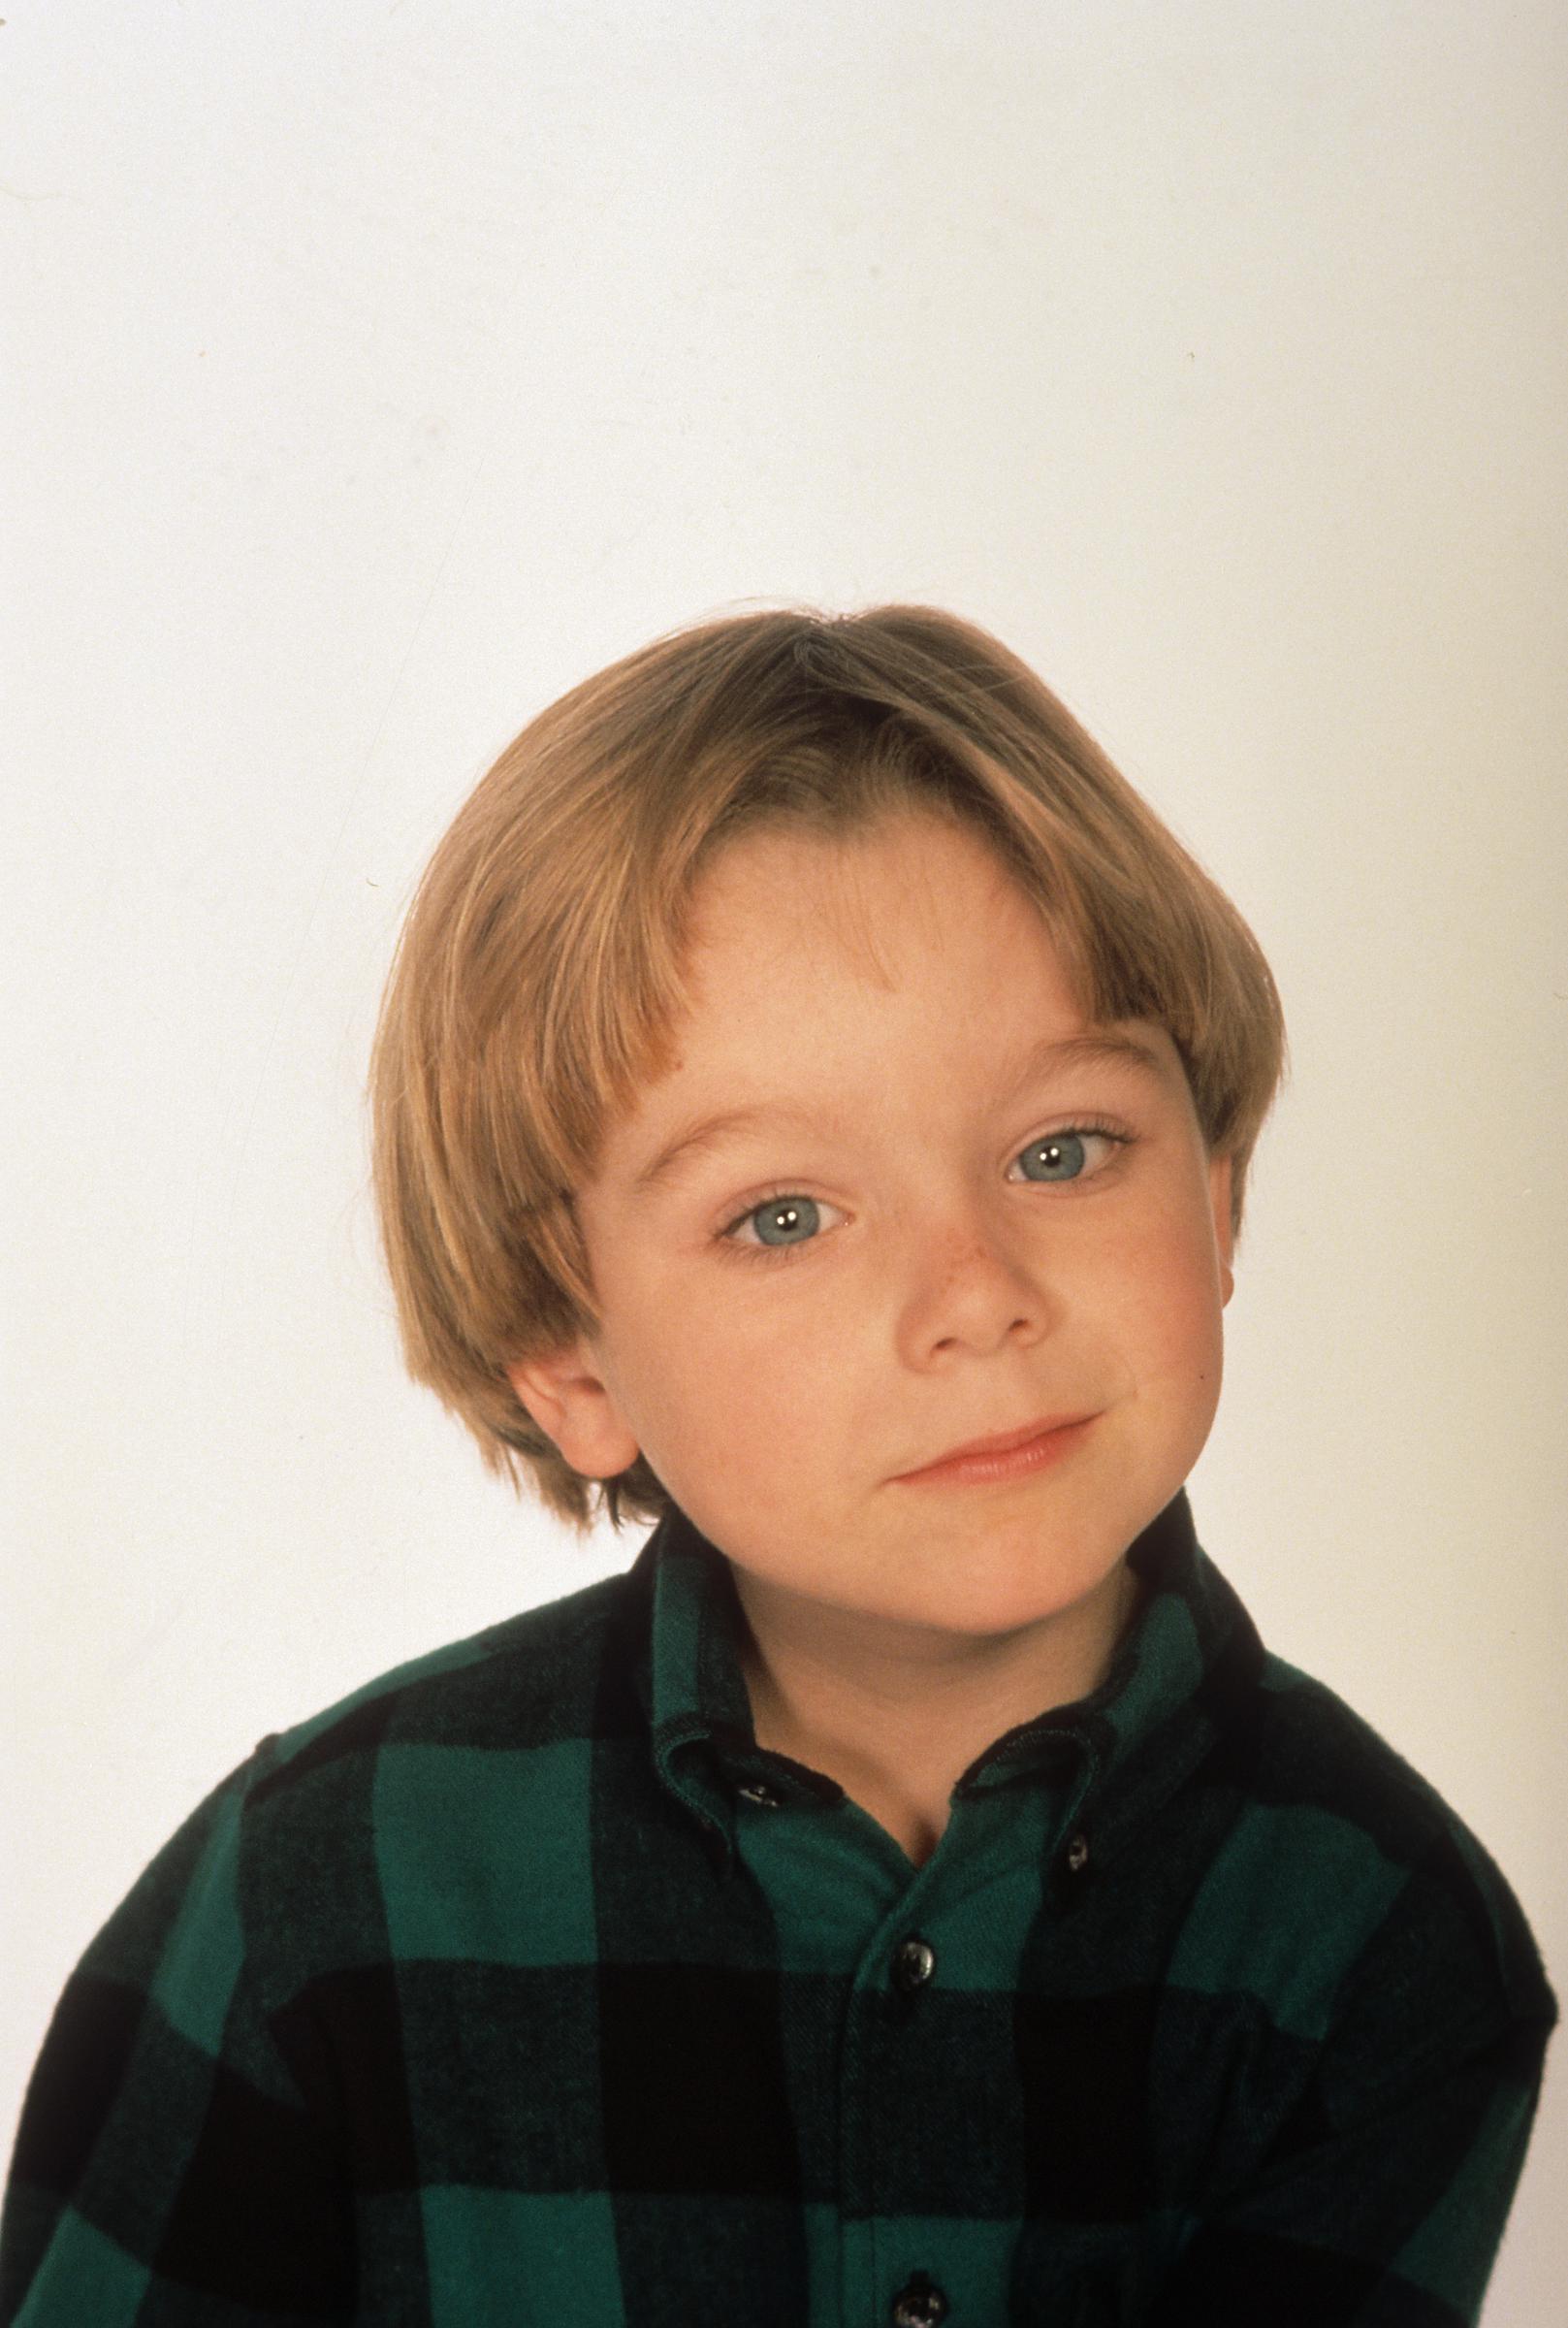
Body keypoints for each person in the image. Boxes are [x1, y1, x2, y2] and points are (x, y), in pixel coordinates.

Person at [1, 606, 1555, 2326]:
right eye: (785, 1218)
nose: (973, 1295)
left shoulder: (1383, 1938)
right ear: (568, 1361)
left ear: (1216, 1192)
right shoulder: (315, 1893)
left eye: (1062, 1150)